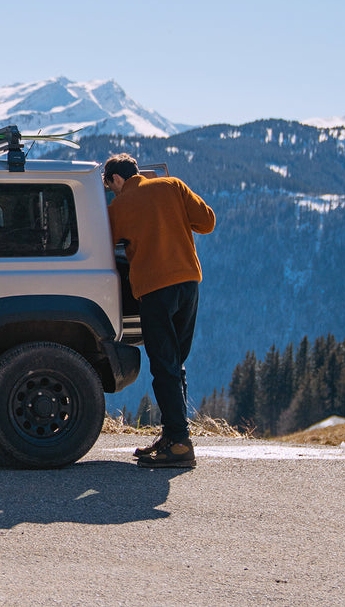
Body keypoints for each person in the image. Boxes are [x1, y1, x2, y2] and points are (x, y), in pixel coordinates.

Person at [103, 153, 216, 468]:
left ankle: (179, 443)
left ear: (116, 179)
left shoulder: (119, 207)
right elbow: (207, 222)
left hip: (155, 289)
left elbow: (103, 246)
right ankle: (173, 435)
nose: (113, 193)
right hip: (188, 282)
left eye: (111, 187)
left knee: (164, 364)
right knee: (176, 362)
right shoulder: (173, 186)